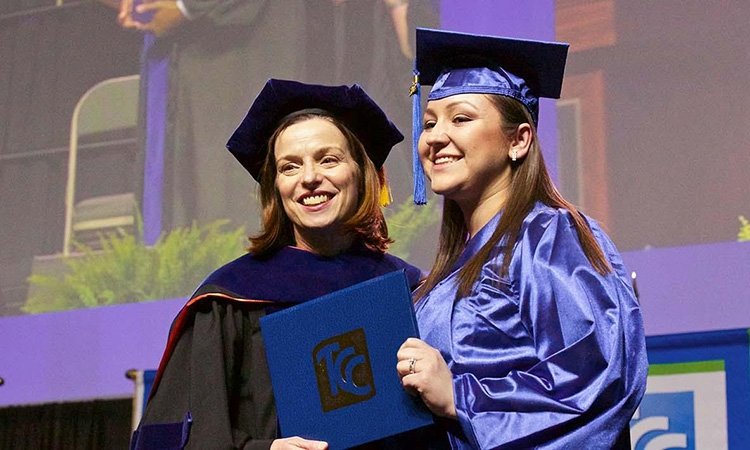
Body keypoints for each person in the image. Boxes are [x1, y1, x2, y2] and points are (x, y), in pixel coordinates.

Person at [130, 79, 423, 450]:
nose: (310, 178)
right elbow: (181, 438)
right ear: (275, 187)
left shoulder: (409, 291)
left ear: (362, 173)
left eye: (328, 159)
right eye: (290, 167)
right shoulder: (229, 300)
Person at [396, 28, 648, 449]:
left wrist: (461, 397)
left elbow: (596, 380)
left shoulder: (550, 238)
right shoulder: (446, 273)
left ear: (519, 140)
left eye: (461, 118)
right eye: (429, 122)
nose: (435, 137)